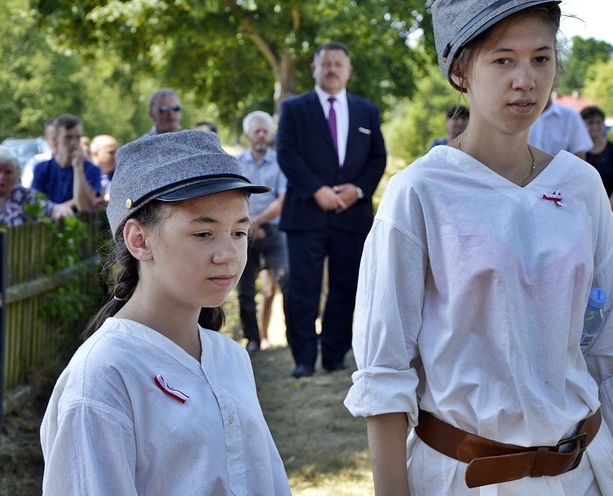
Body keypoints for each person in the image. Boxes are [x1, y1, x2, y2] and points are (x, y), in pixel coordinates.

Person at [343, 0, 613, 494]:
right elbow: (385, 369)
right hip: (466, 479)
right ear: (460, 70)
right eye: (502, 60)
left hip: (584, 475)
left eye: (541, 59)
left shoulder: (579, 184)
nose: (526, 80)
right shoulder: (420, 193)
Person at [40, 130, 291, 495]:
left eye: (239, 232)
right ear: (139, 240)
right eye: (204, 234)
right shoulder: (104, 377)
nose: (229, 255)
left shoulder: (230, 358)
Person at [276, 40, 387, 378]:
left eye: (339, 63)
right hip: (306, 213)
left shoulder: (366, 110)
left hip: (351, 216)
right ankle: (304, 359)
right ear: (314, 69)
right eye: (326, 63)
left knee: (346, 286)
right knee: (303, 288)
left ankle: (335, 354)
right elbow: (287, 153)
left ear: (349, 70)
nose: (332, 69)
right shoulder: (294, 108)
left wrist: (358, 190)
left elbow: (377, 157)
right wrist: (316, 190)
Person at [236, 111, 289, 353]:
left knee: (286, 280)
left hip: (274, 229)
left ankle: (292, 338)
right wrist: (248, 225)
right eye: (256, 130)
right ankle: (253, 339)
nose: (261, 135)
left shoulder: (281, 162)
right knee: (245, 289)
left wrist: (256, 222)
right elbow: (233, 199)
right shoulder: (236, 164)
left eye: (265, 131)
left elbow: (282, 200)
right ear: (247, 135)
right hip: (243, 230)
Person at [0, 146, 72, 226]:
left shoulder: (24, 195)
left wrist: (60, 210)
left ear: (17, 176)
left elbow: (51, 208)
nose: (2, 177)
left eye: (8, 172)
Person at [31, 114, 102, 212]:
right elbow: (36, 207)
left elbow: (84, 207)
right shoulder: (41, 169)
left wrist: (78, 168)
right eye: (68, 137)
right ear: (56, 140)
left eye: (77, 137)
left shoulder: (92, 170)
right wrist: (69, 204)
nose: (73, 142)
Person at [581, 105, 613, 234]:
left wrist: (608, 206)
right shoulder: (576, 152)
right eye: (590, 123)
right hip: (582, 213)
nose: (595, 126)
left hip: (611, 212)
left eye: (599, 122)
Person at [21, 117, 57, 188]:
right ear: (46, 139)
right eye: (54, 138)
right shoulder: (37, 162)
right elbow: (28, 189)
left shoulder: (78, 164)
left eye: (62, 137)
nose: (58, 142)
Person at [89, 134, 119, 202]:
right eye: (111, 152)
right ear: (95, 152)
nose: (116, 156)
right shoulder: (82, 175)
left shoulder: (121, 176)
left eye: (117, 152)